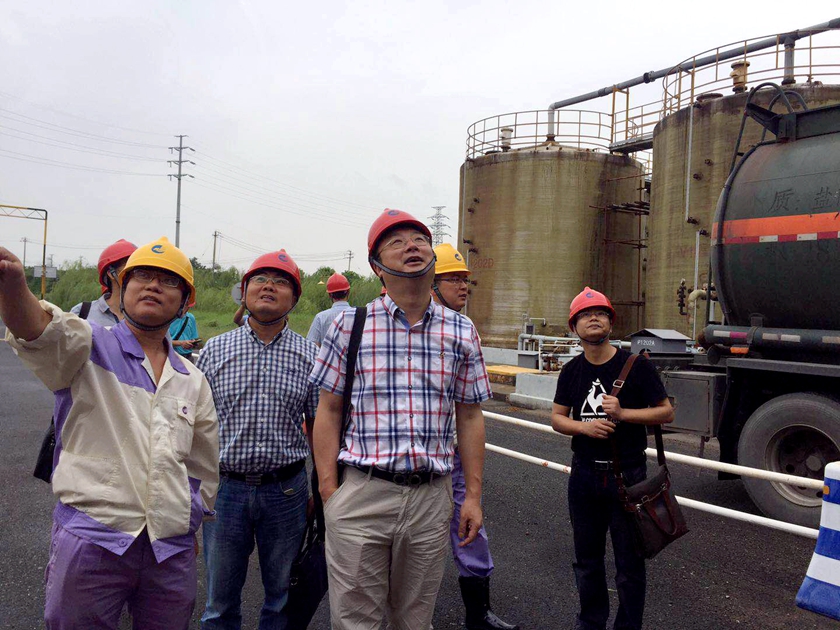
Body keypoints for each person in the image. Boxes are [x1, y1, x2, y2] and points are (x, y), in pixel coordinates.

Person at [0, 237, 219, 630]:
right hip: (93, 538)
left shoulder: (191, 378)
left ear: (185, 303)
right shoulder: (88, 345)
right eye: (143, 276)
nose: (154, 286)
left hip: (170, 549)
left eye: (169, 281)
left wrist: (188, 520)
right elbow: (38, 330)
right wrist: (14, 286)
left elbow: (202, 464)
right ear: (122, 287)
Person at [310, 209, 492, 630]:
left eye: (419, 239)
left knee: (414, 620)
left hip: (430, 498)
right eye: (396, 242)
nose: (412, 246)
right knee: (356, 622)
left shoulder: (461, 331)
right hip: (362, 493)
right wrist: (329, 491)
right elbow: (328, 410)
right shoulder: (349, 326)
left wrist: (472, 497)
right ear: (377, 266)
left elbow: (469, 417)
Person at [197, 250, 320, 630]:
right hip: (225, 490)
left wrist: (319, 489)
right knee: (219, 602)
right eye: (260, 280)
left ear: (294, 298)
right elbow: (194, 426)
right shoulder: (215, 350)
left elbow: (319, 427)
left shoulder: (311, 355)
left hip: (286, 491)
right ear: (244, 292)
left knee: (281, 599)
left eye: (281, 281)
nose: (269, 286)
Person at [550, 287, 674, 630]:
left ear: (610, 323)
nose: (593, 318)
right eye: (585, 315)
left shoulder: (636, 366)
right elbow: (557, 417)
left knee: (630, 565)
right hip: (584, 477)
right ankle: (590, 623)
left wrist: (623, 413)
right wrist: (584, 428)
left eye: (600, 313)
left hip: (628, 477)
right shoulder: (571, 371)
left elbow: (666, 412)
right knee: (587, 561)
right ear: (574, 327)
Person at [431, 243, 519, 630]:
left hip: (454, 453)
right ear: (431, 284)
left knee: (471, 530)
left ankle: (478, 614)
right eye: (453, 279)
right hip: (417, 457)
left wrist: (474, 487)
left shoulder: (464, 330)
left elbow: (471, 410)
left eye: (466, 279)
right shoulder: (401, 331)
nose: (463, 286)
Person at [69, 238, 137, 326]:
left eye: (140, 270)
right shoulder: (82, 312)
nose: (136, 275)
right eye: (129, 268)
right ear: (111, 273)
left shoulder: (147, 313)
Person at [306, 272, 352, 346]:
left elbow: (312, 347)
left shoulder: (320, 317)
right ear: (348, 292)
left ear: (330, 295)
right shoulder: (360, 316)